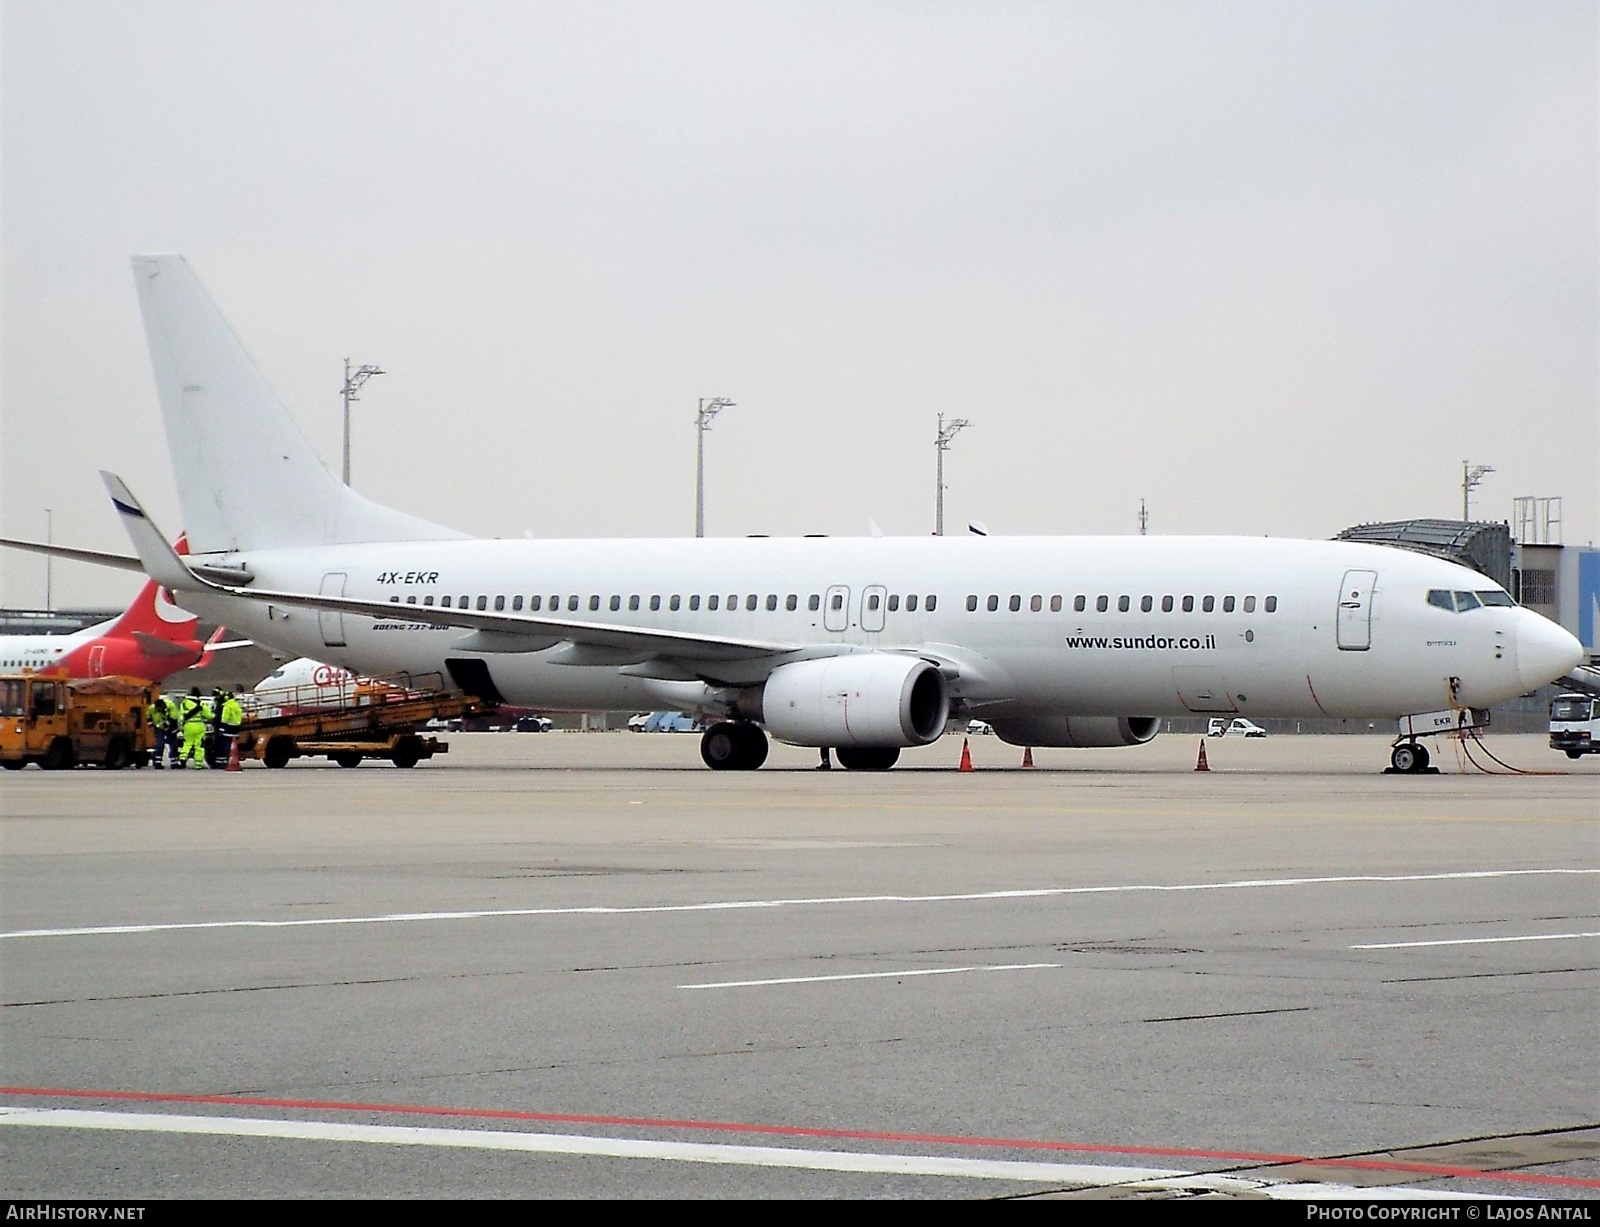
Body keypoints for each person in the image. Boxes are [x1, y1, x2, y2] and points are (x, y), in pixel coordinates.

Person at [178, 687, 209, 769]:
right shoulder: (201, 703)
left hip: (188, 726)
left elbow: (181, 717)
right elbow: (208, 715)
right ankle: (198, 764)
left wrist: (182, 727)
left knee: (187, 743)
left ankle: (182, 759)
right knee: (199, 745)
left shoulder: (184, 703)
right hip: (199, 725)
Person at [146, 694, 175, 769]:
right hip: (159, 728)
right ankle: (157, 762)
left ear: (162, 706)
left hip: (171, 727)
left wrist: (165, 725)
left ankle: (174, 762)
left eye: (159, 709)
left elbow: (173, 718)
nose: (158, 710)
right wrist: (151, 726)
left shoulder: (170, 706)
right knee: (160, 744)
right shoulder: (152, 708)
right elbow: (148, 717)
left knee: (173, 744)